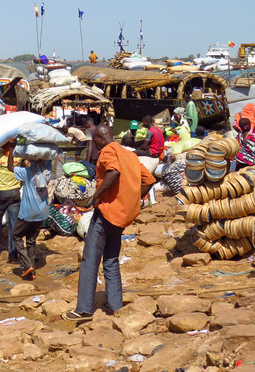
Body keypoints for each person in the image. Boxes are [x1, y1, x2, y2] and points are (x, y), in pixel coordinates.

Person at [64, 125, 156, 320]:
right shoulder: (129, 154)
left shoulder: (108, 151)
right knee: (111, 260)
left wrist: (97, 196)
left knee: (90, 260)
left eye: (95, 141)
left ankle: (84, 309)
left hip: (106, 213)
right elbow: (148, 180)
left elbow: (113, 172)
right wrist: (131, 198)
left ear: (101, 138)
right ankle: (116, 306)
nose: (95, 145)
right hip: (122, 216)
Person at [13, 159, 50, 280]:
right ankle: (32, 271)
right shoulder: (47, 171)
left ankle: (27, 264)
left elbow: (10, 168)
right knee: (31, 241)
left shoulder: (27, 172)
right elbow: (49, 157)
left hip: (28, 212)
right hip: (42, 212)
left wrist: (11, 150)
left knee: (16, 236)